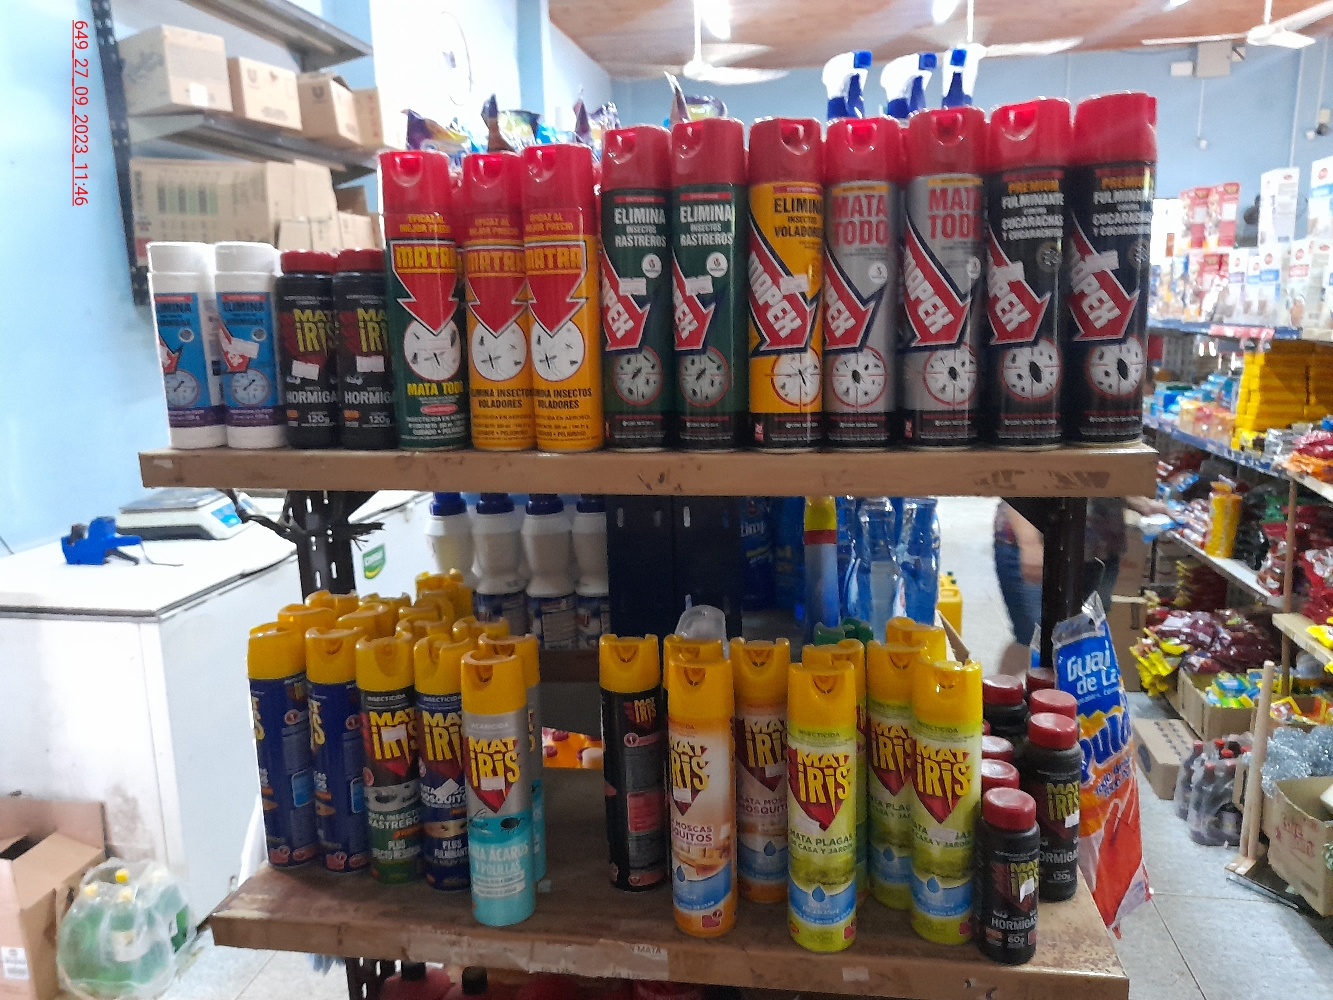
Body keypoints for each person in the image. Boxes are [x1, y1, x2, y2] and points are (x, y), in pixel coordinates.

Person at [993, 497, 1164, 674]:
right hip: (1039, 542)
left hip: (1099, 545)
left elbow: (1107, 480)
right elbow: (1019, 485)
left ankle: (1059, 690)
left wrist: (1138, 500)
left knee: (1082, 638)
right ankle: (1002, 690)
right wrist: (1029, 543)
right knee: (1033, 639)